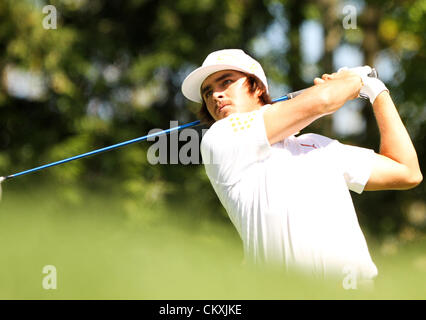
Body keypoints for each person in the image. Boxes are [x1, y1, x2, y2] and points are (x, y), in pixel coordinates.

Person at [181, 49, 422, 286]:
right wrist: (355, 79)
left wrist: (376, 90)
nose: (216, 96)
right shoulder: (220, 138)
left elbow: (406, 171)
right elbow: (324, 100)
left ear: (258, 87)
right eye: (208, 91)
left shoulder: (319, 146)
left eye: (226, 82)